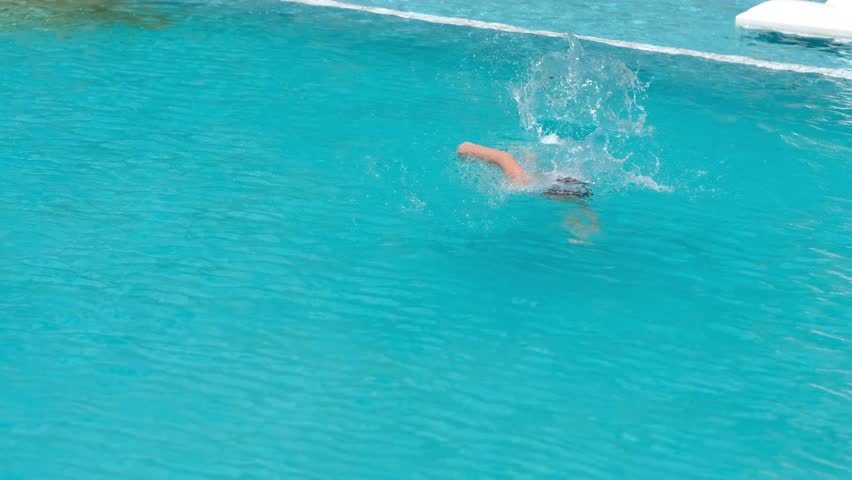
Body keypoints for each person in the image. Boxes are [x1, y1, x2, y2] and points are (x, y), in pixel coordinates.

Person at [456, 142, 591, 199]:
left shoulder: (542, 184)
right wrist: (468, 150)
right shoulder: (521, 181)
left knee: (530, 159)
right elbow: (504, 157)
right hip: (506, 155)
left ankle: (529, 154)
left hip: (531, 166)